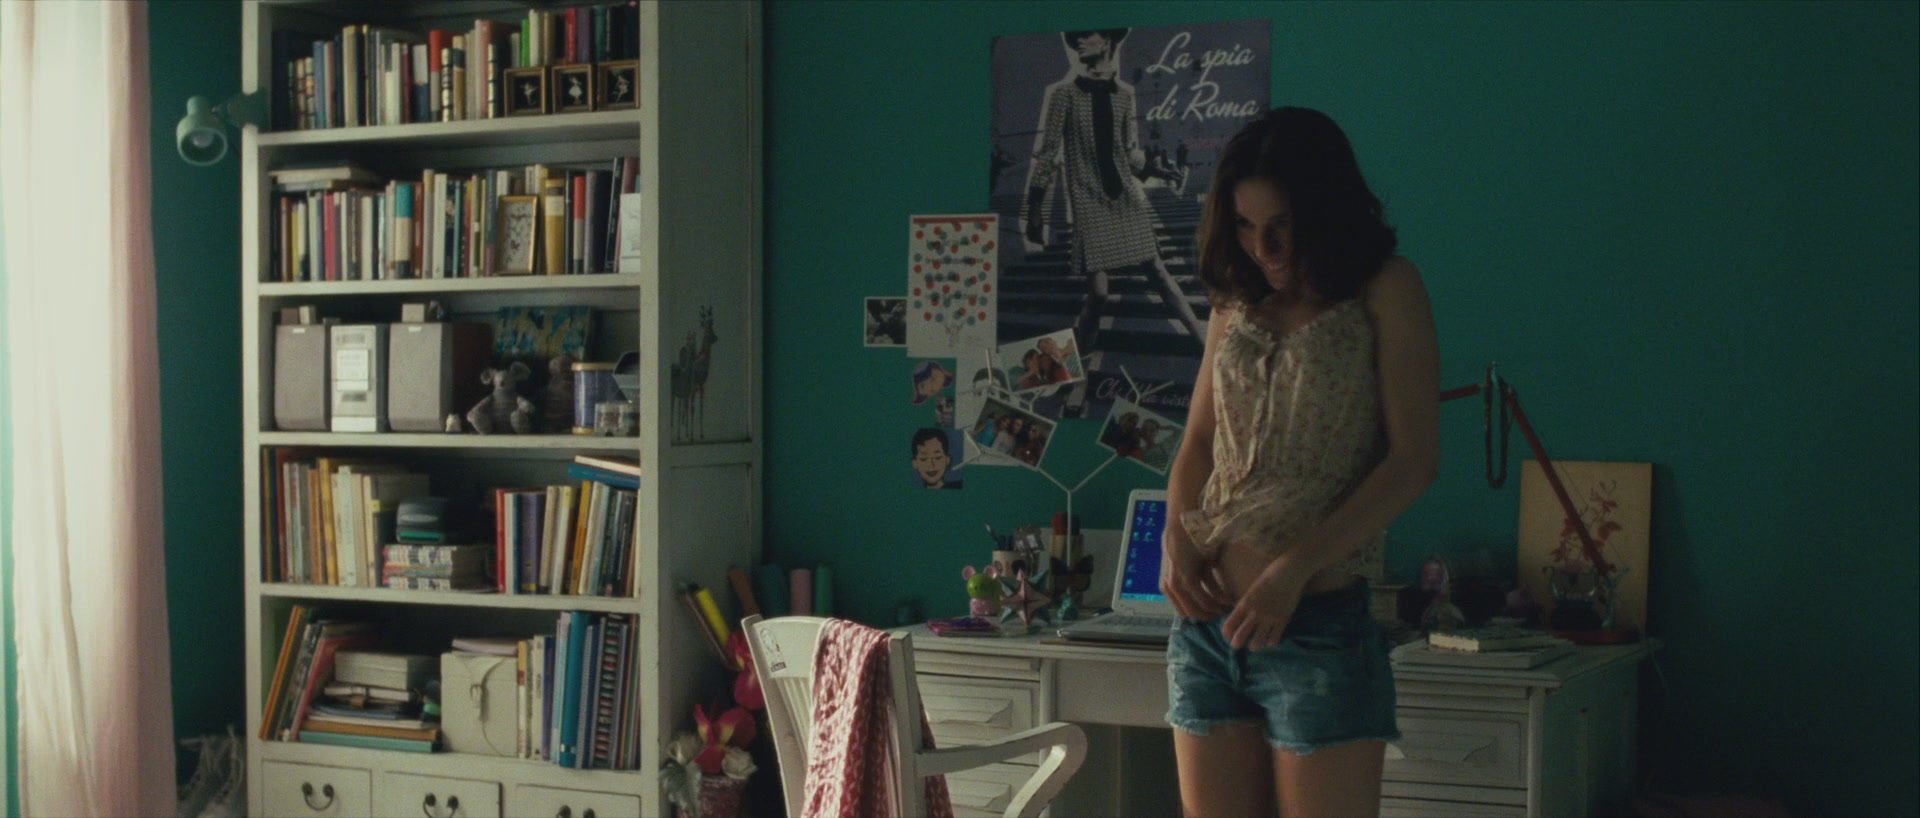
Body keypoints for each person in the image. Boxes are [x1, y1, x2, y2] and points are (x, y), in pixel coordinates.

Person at [1159, 106, 1440, 817]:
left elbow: (1414, 461)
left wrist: (1292, 570)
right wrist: (1175, 541)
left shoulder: (1386, 288)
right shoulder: (1234, 301)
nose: (1265, 247)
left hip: (1316, 628)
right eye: (1245, 226)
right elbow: (1198, 443)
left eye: (1282, 224)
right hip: (1206, 631)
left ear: (1327, 209)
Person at [1021, 28, 1207, 355]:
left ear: (1107, 41)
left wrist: (1155, 169)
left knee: (1159, 273)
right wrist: (1035, 209)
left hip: (1126, 199)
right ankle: (1076, 366)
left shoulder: (1123, 95)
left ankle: (1203, 342)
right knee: (1099, 293)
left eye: (1086, 35)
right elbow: (1048, 154)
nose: (1078, 41)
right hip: (1088, 199)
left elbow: (1127, 152)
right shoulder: (1064, 95)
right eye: (1074, 39)